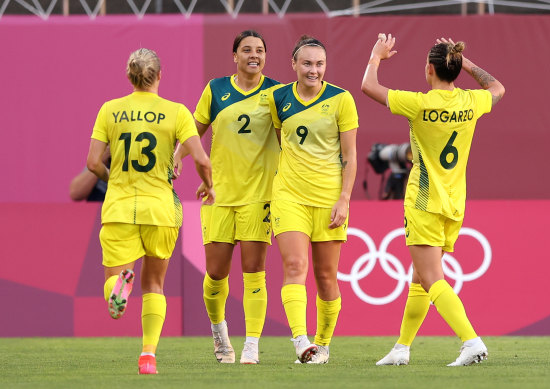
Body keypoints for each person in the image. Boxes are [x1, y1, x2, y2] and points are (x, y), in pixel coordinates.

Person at [361, 34, 505, 366]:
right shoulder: (472, 102)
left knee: (431, 278)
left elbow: (368, 86)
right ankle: (401, 348)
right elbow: (498, 87)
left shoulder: (420, 104)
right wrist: (466, 63)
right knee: (419, 278)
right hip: (454, 204)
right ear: (455, 68)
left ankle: (471, 341)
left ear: (429, 69)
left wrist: (376, 55)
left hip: (424, 201)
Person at [86, 48, 214, 374]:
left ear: (129, 76)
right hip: (160, 209)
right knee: (154, 285)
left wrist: (113, 178)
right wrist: (208, 185)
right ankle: (148, 356)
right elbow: (201, 159)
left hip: (118, 207)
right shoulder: (176, 112)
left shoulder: (110, 110)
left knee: (113, 279)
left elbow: (92, 163)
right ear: (160, 75)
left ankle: (118, 290)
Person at [174, 30, 280, 364]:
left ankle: (251, 344)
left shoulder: (278, 93)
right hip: (218, 194)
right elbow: (194, 131)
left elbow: (289, 137)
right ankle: (220, 336)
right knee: (217, 274)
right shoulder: (216, 89)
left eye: (260, 50)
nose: (254, 55)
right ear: (234, 56)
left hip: (259, 195)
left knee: (254, 271)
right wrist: (177, 157)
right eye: (247, 50)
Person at [268, 35, 359, 364]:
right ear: (293, 64)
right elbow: (282, 142)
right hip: (289, 196)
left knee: (325, 277)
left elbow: (350, 155)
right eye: (307, 63)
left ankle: (322, 345)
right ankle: (300, 340)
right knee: (294, 266)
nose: (313, 70)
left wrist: (344, 198)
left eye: (319, 64)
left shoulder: (341, 99)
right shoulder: (278, 98)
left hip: (329, 199)